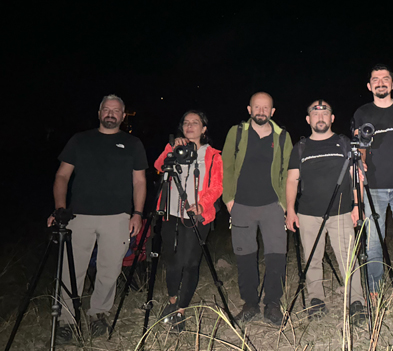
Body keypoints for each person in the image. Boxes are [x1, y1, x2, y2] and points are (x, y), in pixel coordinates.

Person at [47, 94, 147, 343]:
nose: (111, 114)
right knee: (72, 270)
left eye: (116, 110)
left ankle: (98, 314)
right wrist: (60, 209)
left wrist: (137, 213)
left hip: (118, 217)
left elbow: (140, 181)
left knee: (109, 269)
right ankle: (66, 321)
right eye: (106, 109)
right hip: (79, 216)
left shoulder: (133, 143)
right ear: (99, 113)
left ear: (123, 116)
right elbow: (61, 176)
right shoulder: (80, 140)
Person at [286, 99, 366, 321]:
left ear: (332, 118)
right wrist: (290, 211)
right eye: (315, 113)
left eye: (325, 114)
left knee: (348, 258)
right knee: (312, 258)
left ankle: (356, 301)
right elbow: (292, 180)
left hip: (341, 212)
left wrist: (358, 206)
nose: (320, 118)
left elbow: (356, 176)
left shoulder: (343, 143)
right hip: (308, 213)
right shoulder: (300, 147)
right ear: (308, 119)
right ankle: (316, 300)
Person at [222, 92, 293, 326]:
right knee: (245, 257)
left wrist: (284, 203)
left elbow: (289, 172)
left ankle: (272, 303)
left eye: (266, 108)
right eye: (257, 107)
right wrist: (229, 198)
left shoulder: (282, 136)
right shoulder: (237, 132)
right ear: (249, 109)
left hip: (273, 206)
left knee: (276, 257)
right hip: (241, 205)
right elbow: (227, 165)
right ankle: (250, 303)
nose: (261, 111)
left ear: (272, 112)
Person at [353, 64, 393, 315]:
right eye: (375, 79)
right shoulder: (362, 112)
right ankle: (374, 290)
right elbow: (359, 148)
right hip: (374, 189)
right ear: (369, 86)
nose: (380, 83)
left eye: (385, 79)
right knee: (373, 243)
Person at [153, 110, 223, 332]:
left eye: (196, 123)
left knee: (190, 263)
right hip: (170, 212)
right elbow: (158, 166)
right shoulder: (173, 147)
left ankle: (181, 310)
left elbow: (218, 185)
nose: (190, 126)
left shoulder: (212, 155)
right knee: (172, 261)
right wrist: (170, 149)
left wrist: (202, 204)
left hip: (197, 215)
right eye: (186, 123)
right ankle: (172, 302)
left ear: (204, 128)